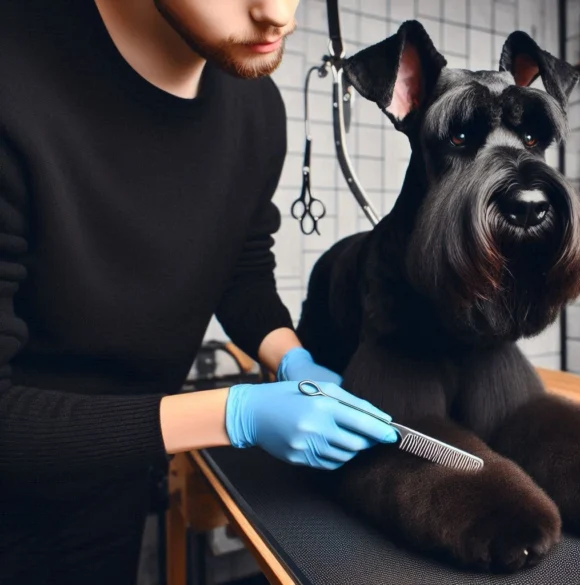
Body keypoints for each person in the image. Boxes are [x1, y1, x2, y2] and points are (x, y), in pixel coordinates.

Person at [0, 1, 397, 582]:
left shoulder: (256, 108)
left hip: (112, 487)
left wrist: (289, 356)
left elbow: (239, 264)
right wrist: (233, 415)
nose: (278, 15)